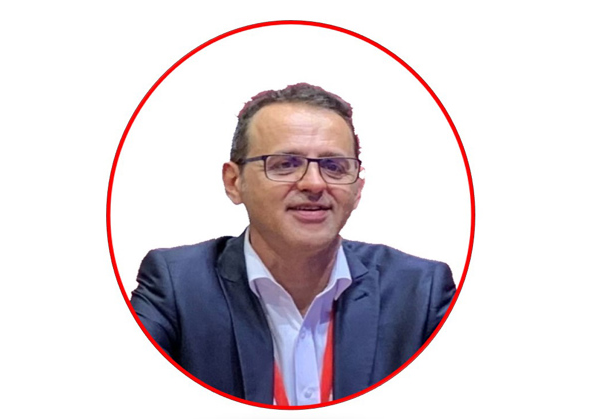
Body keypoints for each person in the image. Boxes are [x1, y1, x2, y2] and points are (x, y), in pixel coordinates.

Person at [131, 83, 456, 406]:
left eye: (334, 167)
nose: (314, 183)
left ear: (357, 190)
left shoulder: (420, 292)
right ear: (234, 182)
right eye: (285, 164)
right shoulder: (178, 288)